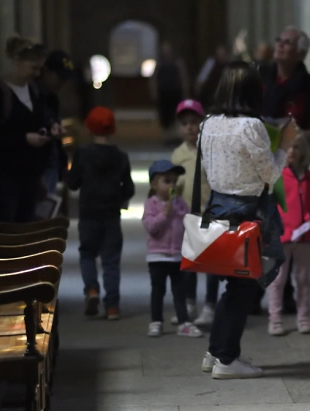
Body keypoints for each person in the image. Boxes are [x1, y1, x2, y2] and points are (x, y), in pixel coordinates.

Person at [199, 61, 297, 379]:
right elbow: (270, 176)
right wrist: (284, 145)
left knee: (233, 286)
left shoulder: (208, 123)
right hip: (246, 213)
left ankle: (215, 352)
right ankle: (227, 360)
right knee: (242, 289)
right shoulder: (250, 126)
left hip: (218, 208)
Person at [256, 26, 310, 315]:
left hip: (291, 167)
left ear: (301, 52)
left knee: (286, 231)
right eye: (279, 41)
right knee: (258, 228)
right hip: (260, 163)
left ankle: (285, 295)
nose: (281, 46)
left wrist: (290, 134)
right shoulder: (261, 75)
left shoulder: (309, 85)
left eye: (288, 43)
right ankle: (252, 293)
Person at [68, 106, 135, 321]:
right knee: (111, 261)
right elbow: (129, 188)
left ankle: (92, 290)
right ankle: (113, 306)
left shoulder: (83, 154)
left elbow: (73, 183)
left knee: (87, 254)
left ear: (89, 129)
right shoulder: (121, 156)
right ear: (112, 129)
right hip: (111, 215)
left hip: (88, 213)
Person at [0, 35, 50, 223]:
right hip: (5, 175)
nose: (37, 73)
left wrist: (49, 128)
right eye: (33, 68)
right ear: (17, 62)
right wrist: (24, 138)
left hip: (30, 173)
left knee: (26, 226)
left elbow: (39, 120)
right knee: (7, 226)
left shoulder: (34, 89)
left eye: (40, 68)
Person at [268, 133, 310, 336]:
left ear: (303, 152)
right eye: (289, 147)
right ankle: (274, 319)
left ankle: (303, 317)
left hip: (304, 237)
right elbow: (271, 206)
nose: (292, 151)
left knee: (303, 278)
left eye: (296, 147)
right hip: (283, 237)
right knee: (278, 279)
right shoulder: (278, 177)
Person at [142, 160, 203, 338]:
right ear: (154, 185)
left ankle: (184, 322)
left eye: (174, 181)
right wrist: (165, 214)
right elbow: (151, 227)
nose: (172, 185)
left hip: (177, 255)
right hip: (157, 256)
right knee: (158, 291)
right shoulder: (151, 204)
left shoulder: (180, 203)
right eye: (167, 181)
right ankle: (156, 321)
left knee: (179, 291)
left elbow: (187, 221)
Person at [171, 99, 218, 327]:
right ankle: (189, 303)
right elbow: (172, 183)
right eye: (185, 123)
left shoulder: (210, 149)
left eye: (194, 122)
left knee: (211, 264)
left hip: (209, 214)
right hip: (186, 216)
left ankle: (210, 305)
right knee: (189, 262)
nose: (190, 127)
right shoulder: (177, 154)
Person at [38, 50, 75, 195]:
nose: (62, 83)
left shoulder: (52, 98)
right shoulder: (34, 95)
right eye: (59, 77)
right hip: (38, 165)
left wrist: (63, 164)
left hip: (50, 161)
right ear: (46, 71)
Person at [151, 42, 190, 134]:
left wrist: (185, 91)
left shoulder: (177, 62)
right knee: (165, 115)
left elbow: (183, 76)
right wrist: (154, 91)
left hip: (175, 92)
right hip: (163, 93)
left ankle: (175, 134)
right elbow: (154, 78)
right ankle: (167, 134)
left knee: (176, 114)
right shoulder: (159, 63)